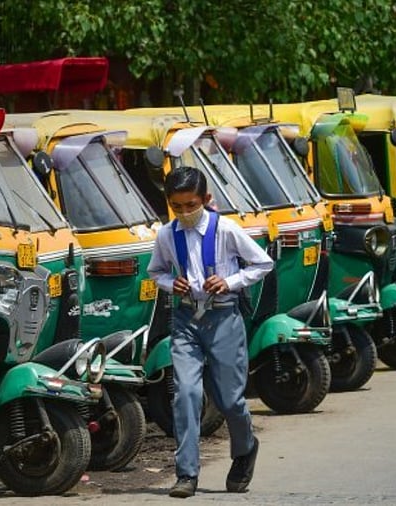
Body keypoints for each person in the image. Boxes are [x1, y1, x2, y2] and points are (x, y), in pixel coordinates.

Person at [147, 166, 274, 498]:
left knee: (230, 400)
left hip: (223, 318)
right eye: (177, 207)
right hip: (186, 319)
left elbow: (262, 264)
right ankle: (186, 474)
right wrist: (167, 283)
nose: (185, 213)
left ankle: (245, 448)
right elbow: (155, 271)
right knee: (186, 393)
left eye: (191, 205)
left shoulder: (226, 230)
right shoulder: (165, 235)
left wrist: (230, 281)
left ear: (206, 199)